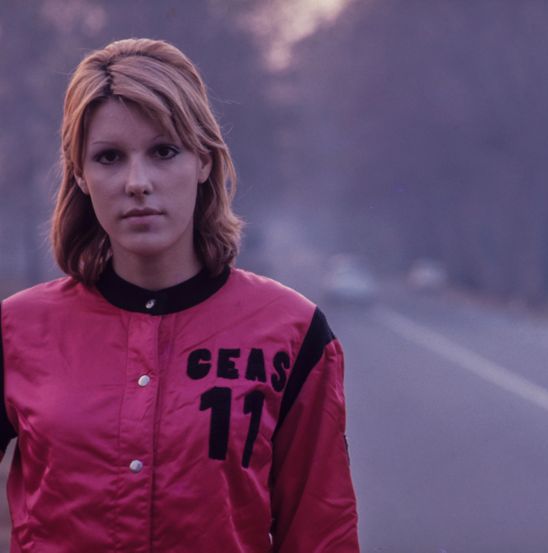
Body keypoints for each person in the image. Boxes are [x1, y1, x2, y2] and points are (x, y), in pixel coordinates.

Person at [0, 38, 359, 552]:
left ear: (204, 161)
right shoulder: (16, 332)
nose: (137, 182)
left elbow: (321, 535)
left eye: (164, 151)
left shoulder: (293, 334)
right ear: (80, 174)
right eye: (109, 157)